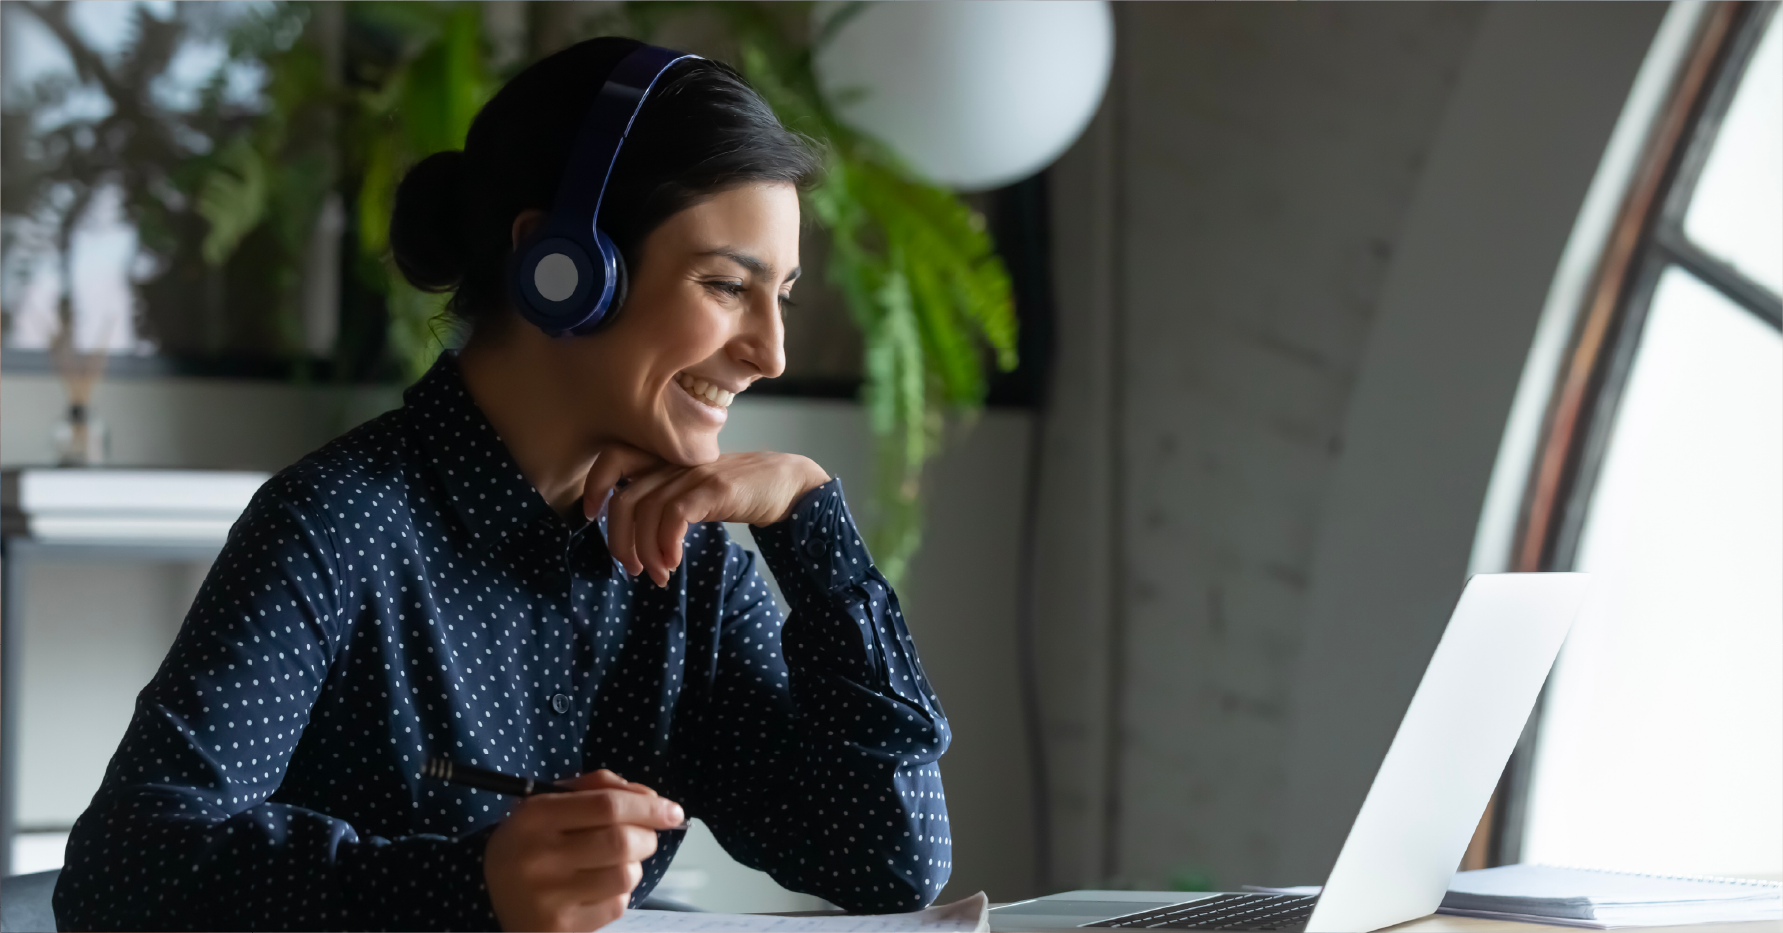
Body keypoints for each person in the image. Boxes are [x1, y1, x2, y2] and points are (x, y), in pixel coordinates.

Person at [54, 37, 952, 932]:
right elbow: (123, 874)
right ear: (561, 271)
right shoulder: (337, 522)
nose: (770, 351)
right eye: (725, 284)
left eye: (781, 296)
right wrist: (475, 886)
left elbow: (890, 859)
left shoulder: (691, 561)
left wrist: (808, 521)